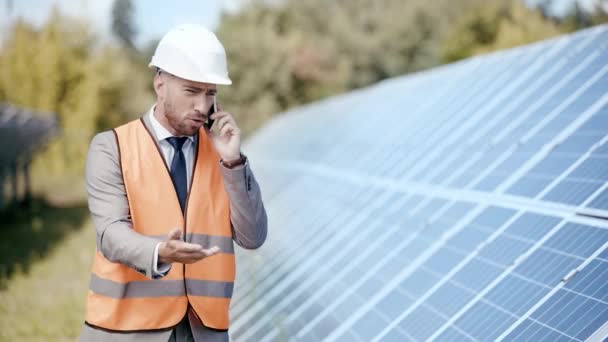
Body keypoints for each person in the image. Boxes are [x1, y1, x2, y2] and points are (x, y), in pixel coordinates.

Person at [80, 24, 268, 342]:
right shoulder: (112, 146)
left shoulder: (225, 156)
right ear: (160, 84)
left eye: (211, 93)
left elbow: (253, 238)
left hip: (203, 332)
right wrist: (160, 252)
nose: (202, 106)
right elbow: (110, 234)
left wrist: (233, 163)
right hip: (126, 331)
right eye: (191, 91)